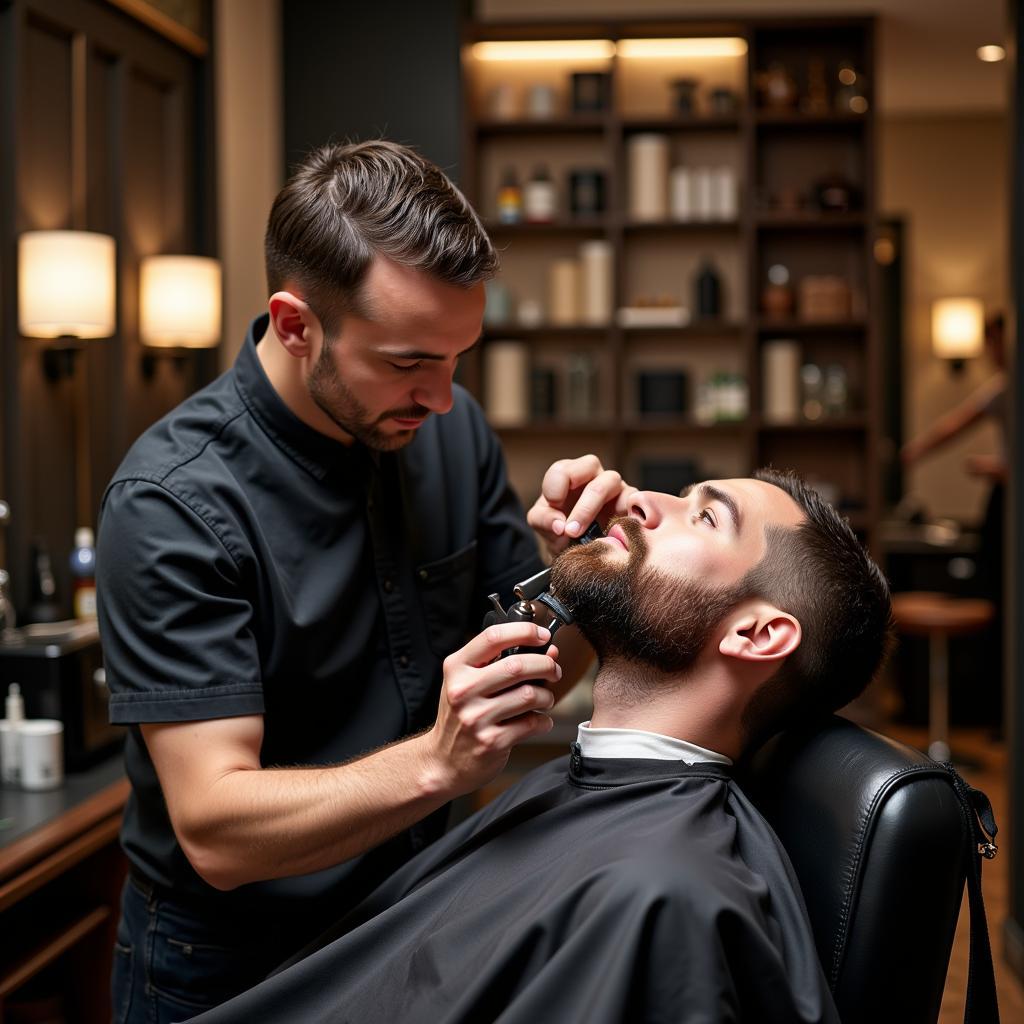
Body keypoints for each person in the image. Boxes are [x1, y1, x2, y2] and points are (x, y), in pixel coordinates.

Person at [97, 140, 635, 1023]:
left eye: (457, 357)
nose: (442, 398)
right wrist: (437, 761)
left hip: (418, 911)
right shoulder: (172, 502)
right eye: (407, 361)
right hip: (232, 965)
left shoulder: (445, 432)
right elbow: (215, 829)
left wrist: (583, 577)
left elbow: (537, 676)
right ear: (296, 321)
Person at [186, 468, 894, 1024]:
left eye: (704, 516)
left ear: (757, 636)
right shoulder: (602, 807)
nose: (641, 500)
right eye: (680, 494)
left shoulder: (667, 898)